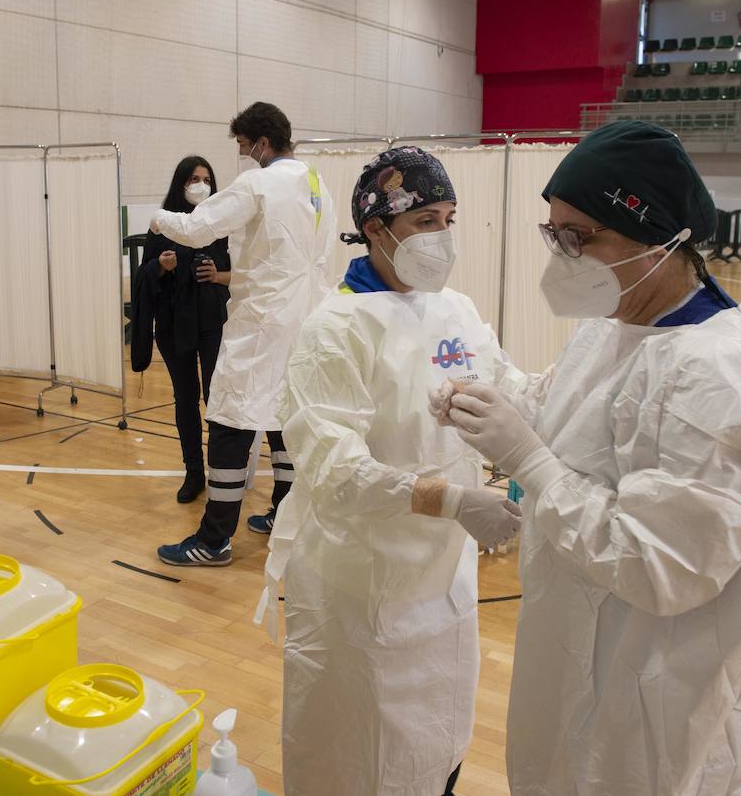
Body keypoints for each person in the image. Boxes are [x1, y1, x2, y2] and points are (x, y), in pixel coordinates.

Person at [436, 121, 741, 796]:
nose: (562, 254)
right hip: (583, 640)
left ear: (656, 239)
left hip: (653, 682)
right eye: (553, 234)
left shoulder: (712, 374)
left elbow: (658, 564)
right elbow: (569, 409)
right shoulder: (620, 320)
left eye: (579, 237)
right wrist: (497, 402)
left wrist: (526, 457)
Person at [270, 147, 522, 796]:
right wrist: (454, 501)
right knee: (359, 756)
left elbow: (508, 387)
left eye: (449, 218)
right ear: (377, 228)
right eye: (425, 221)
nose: (442, 237)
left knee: (436, 746)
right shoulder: (334, 328)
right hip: (362, 591)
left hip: (443, 588)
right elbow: (336, 471)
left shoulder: (456, 312)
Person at [151, 102, 333, 567]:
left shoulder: (259, 182)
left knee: (231, 417)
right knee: (285, 416)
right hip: (307, 319)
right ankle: (285, 512)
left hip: (263, 320)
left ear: (262, 142)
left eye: (243, 144)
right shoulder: (316, 185)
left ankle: (214, 540)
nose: (243, 153)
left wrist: (158, 218)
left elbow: (196, 228)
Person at [130, 157, 231, 503]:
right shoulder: (162, 224)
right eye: (193, 179)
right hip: (174, 324)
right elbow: (143, 277)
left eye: (206, 178)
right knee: (185, 398)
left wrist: (218, 275)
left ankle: (222, 472)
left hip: (213, 321)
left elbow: (242, 274)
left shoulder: (221, 224)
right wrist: (160, 266)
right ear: (180, 183)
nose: (200, 185)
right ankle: (193, 472)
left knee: (216, 398)